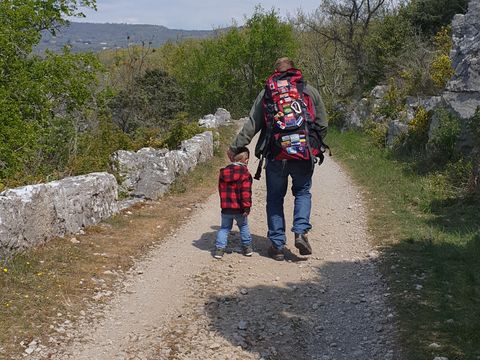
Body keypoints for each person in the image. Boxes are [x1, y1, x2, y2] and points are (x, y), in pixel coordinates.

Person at [227, 57, 328, 261]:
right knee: (302, 192)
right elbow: (323, 124)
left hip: (276, 153)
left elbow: (253, 123)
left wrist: (235, 146)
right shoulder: (308, 90)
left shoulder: (268, 93)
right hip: (302, 153)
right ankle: (300, 232)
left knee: (274, 198)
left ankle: (277, 245)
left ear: (276, 71)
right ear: (294, 70)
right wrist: (311, 145)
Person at [214, 147, 253, 259]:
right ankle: (247, 248)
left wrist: (224, 203)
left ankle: (219, 250)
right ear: (245, 160)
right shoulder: (245, 173)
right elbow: (245, 192)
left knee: (224, 228)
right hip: (240, 208)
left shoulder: (224, 172)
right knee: (243, 226)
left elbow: (221, 189)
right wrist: (247, 207)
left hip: (226, 208)